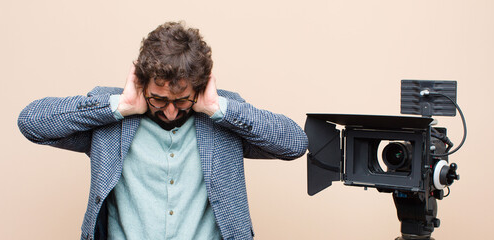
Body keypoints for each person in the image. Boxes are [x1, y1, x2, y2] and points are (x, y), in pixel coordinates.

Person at [17, 21, 308, 240]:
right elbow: (31, 122)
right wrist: (119, 105)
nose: (170, 111)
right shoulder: (110, 118)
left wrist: (219, 108)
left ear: (201, 86)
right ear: (142, 84)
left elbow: (295, 143)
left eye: (182, 100)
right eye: (159, 99)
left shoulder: (221, 116)